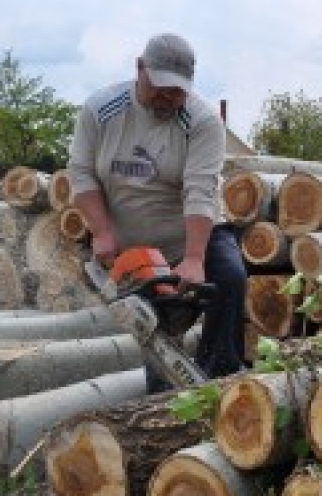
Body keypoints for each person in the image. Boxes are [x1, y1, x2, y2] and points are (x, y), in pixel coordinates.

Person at [67, 32, 247, 391]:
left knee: (229, 277)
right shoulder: (101, 111)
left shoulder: (202, 122)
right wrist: (102, 231)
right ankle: (163, 401)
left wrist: (195, 258)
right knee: (154, 324)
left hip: (195, 232)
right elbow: (81, 171)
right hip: (136, 243)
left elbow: (200, 189)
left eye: (176, 90)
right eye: (160, 86)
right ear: (139, 69)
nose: (167, 97)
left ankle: (222, 378)